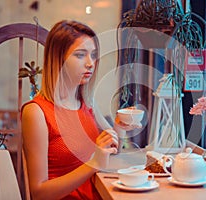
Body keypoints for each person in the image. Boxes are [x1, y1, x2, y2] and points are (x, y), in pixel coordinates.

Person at [21, 20, 139, 200]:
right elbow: (39, 193)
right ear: (58, 59)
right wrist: (94, 163)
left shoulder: (86, 102)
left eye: (93, 55)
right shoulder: (36, 112)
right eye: (80, 55)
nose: (91, 63)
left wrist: (118, 129)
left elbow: (111, 155)